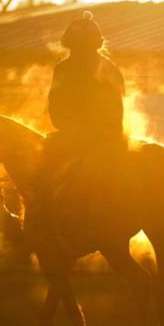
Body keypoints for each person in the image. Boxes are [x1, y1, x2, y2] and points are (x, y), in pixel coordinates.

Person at [38, 11, 126, 215]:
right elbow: (119, 104)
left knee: (42, 169)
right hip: (110, 137)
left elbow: (55, 105)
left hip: (78, 137)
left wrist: (68, 128)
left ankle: (44, 213)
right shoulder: (110, 67)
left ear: (68, 43)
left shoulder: (63, 69)